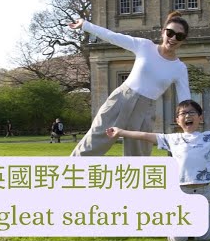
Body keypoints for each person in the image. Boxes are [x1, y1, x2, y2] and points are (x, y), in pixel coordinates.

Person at [106, 99, 210, 241]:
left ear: (200, 118)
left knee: (205, 238)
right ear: (177, 120)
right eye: (183, 113)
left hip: (203, 192)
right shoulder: (172, 139)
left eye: (192, 112)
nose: (187, 116)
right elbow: (144, 135)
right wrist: (121, 132)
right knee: (178, 239)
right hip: (180, 192)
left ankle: (203, 222)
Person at [68, 11, 191, 157]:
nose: (173, 38)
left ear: (183, 40)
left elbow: (185, 101)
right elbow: (113, 37)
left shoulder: (179, 68)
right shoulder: (144, 46)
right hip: (121, 99)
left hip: (145, 110)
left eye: (179, 36)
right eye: (170, 33)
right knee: (92, 144)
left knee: (138, 157)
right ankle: (66, 176)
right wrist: (85, 25)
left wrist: (188, 126)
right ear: (163, 32)